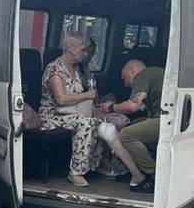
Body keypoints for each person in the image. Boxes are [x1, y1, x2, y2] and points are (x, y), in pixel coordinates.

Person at [39, 32, 99, 187]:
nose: (85, 53)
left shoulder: (76, 70)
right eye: (83, 49)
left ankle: (90, 165)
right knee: (85, 123)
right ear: (71, 48)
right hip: (52, 115)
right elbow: (61, 99)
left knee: (97, 122)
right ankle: (76, 172)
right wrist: (87, 95)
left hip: (71, 112)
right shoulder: (55, 69)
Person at [101, 59, 164, 193]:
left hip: (165, 119)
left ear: (132, 70)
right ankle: (135, 170)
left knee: (126, 135)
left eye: (125, 78)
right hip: (165, 118)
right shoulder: (156, 75)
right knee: (130, 126)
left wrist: (111, 107)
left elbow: (133, 106)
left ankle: (153, 174)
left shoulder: (142, 75)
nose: (125, 84)